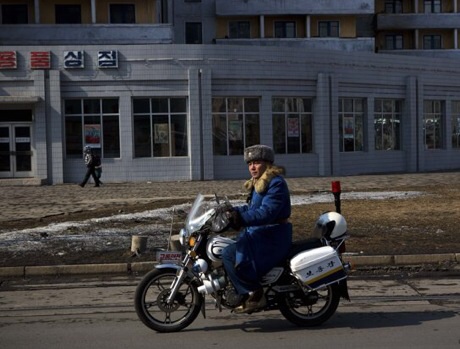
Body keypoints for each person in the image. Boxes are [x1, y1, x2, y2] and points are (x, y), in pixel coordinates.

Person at [222, 144, 292, 314]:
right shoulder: (259, 182)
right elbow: (252, 208)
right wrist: (232, 211)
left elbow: (266, 212)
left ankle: (256, 293)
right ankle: (246, 292)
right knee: (227, 253)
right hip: (261, 233)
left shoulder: (275, 183)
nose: (252, 167)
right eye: (249, 163)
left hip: (273, 235)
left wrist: (241, 219)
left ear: (267, 163)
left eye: (257, 162)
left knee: (235, 257)